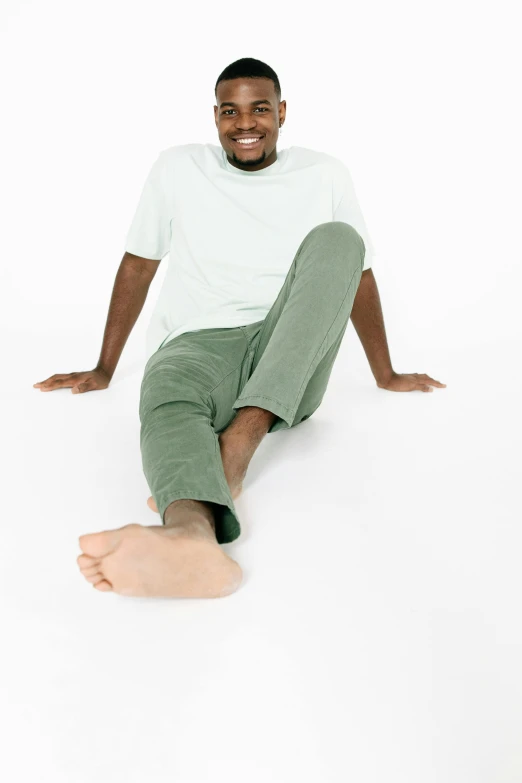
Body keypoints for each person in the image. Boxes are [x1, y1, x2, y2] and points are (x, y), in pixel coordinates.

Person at [33, 58, 446, 600]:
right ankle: (188, 535)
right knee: (167, 397)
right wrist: (105, 366)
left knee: (339, 240)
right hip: (198, 343)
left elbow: (356, 275)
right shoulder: (178, 168)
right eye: (231, 111)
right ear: (215, 117)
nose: (245, 123)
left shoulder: (323, 173)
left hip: (292, 347)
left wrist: (385, 372)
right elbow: (139, 263)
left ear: (282, 112)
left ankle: (240, 443)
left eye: (260, 109)